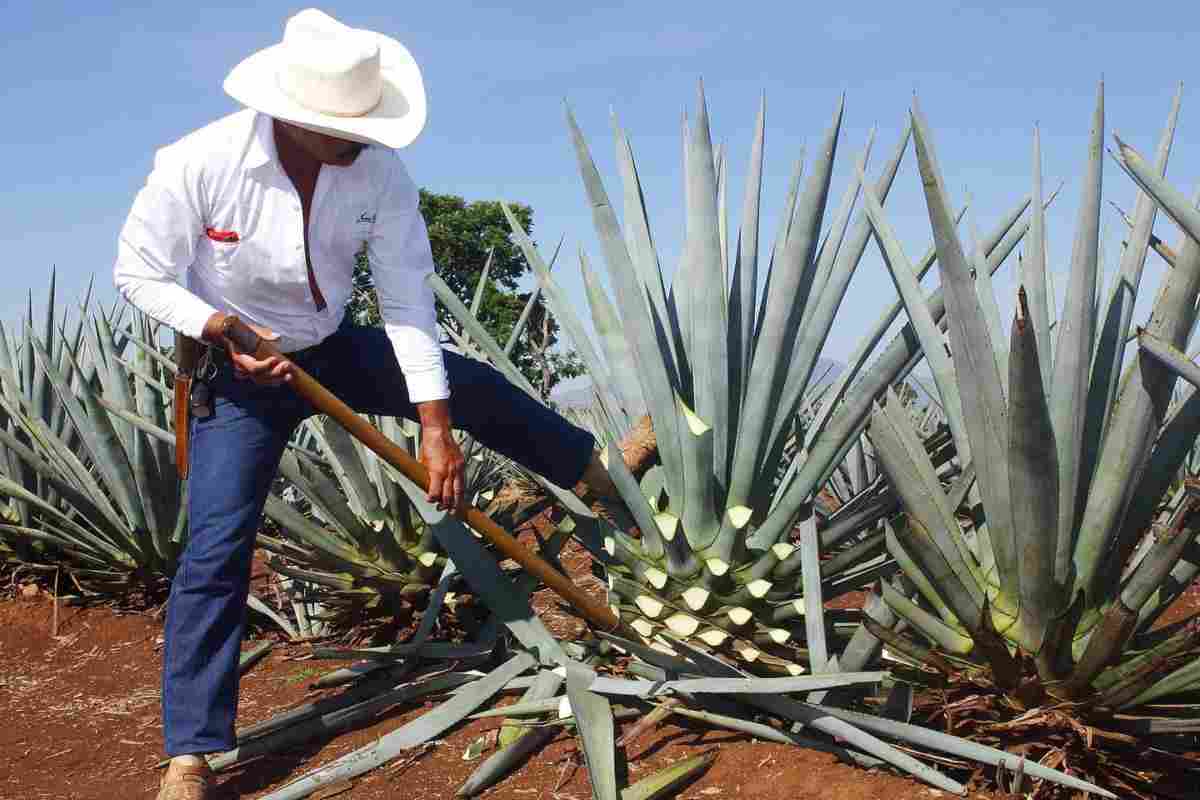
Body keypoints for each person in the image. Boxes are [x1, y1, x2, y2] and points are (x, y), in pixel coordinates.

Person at [113, 10, 612, 799]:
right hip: (239, 371)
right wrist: (222, 327)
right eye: (347, 128)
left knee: (471, 385)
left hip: (331, 349)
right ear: (294, 115)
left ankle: (593, 472)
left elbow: (408, 298)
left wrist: (438, 431)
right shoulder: (197, 164)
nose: (364, 140)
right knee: (215, 550)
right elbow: (138, 273)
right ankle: (193, 752)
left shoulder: (376, 171)